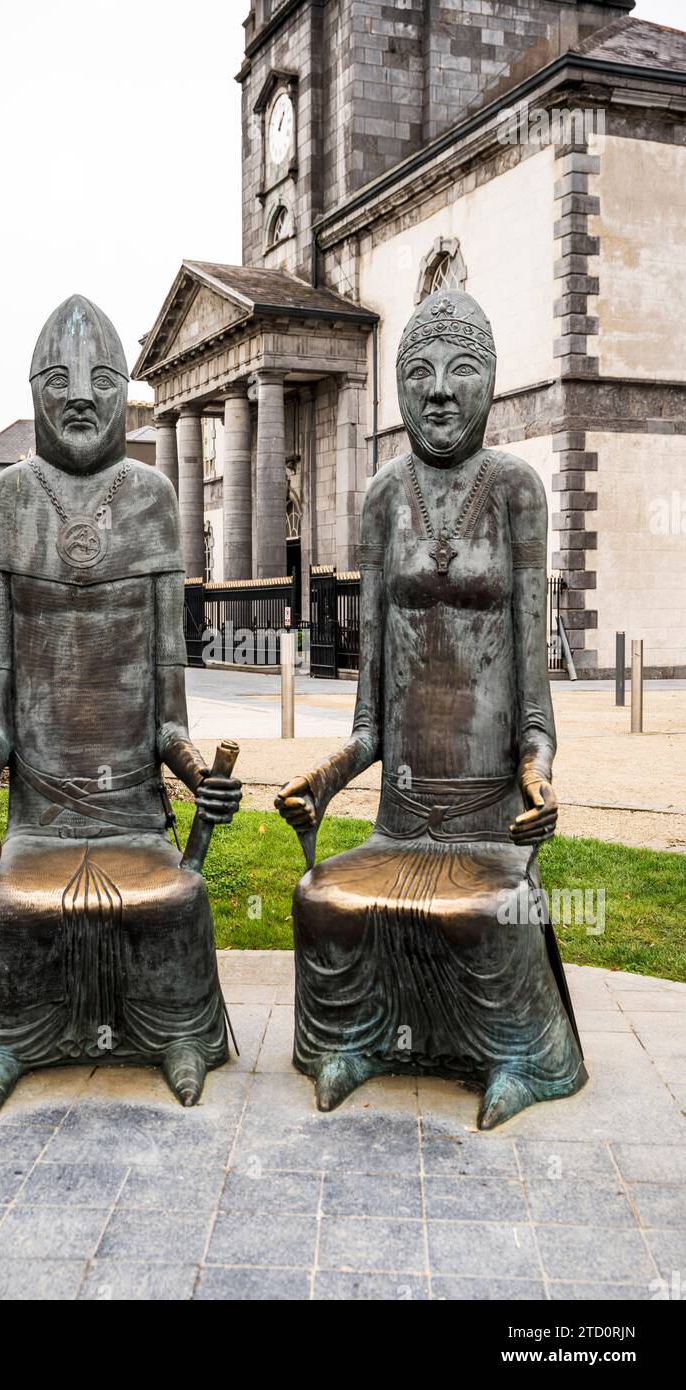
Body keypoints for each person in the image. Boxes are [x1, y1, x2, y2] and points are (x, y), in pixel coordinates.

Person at [276, 289, 586, 1129]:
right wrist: (324, 779)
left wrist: (538, 777)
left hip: (489, 823)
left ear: (492, 380)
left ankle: (518, 1057)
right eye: (419, 374)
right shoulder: (382, 499)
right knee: (329, 897)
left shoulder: (517, 491)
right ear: (400, 391)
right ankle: (358, 1042)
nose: (440, 391)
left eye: (462, 371)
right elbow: (370, 728)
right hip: (399, 820)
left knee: (491, 911)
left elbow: (534, 707)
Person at [0, 295, 241, 1114]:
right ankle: (4, 1041)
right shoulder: (7, 504)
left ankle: (178, 1034)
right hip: (41, 822)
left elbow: (171, 721)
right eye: (58, 377)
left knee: (174, 897)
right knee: (0, 904)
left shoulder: (151, 502)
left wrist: (195, 776)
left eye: (104, 378)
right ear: (33, 387)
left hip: (134, 819)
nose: (80, 394)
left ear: (124, 392)